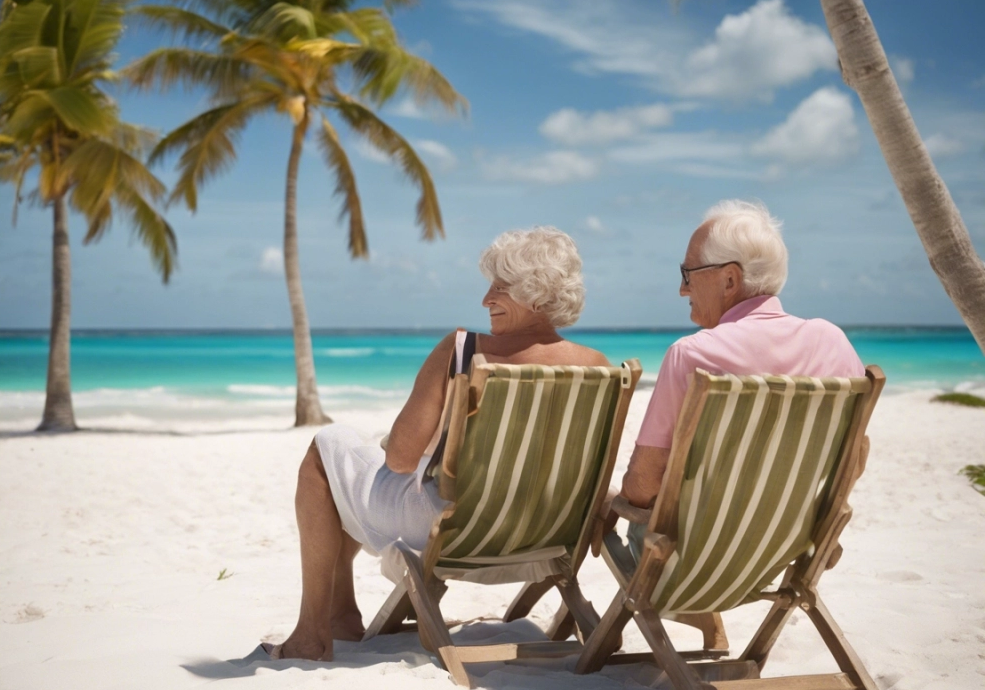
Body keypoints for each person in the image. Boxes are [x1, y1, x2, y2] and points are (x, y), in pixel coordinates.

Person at [266, 227, 609, 661]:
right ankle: (339, 615)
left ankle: (314, 632)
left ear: (536, 293)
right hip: (546, 531)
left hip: (449, 528)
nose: (486, 299)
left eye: (499, 288)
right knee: (352, 459)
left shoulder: (463, 350)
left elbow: (401, 458)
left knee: (327, 448)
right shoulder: (597, 367)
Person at [617, 200, 864, 514]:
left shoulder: (692, 354)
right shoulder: (833, 342)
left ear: (730, 279)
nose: (682, 289)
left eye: (687, 274)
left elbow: (643, 485)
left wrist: (615, 500)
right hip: (784, 544)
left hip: (695, 551)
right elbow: (856, 457)